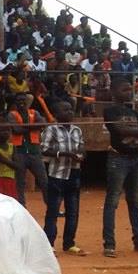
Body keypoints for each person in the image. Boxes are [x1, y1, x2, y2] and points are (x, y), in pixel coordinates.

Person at [102, 79, 138, 258]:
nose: (129, 92)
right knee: (112, 201)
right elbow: (118, 130)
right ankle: (109, 244)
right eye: (124, 89)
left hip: (136, 158)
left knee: (134, 201)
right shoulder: (109, 111)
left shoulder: (133, 111)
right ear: (114, 92)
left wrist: (135, 131)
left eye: (129, 89)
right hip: (118, 158)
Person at [41, 101, 87, 256]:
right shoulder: (51, 129)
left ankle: (69, 243)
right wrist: (65, 154)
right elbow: (44, 149)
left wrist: (80, 156)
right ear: (56, 114)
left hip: (74, 173)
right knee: (53, 210)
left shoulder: (77, 130)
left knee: (73, 210)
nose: (69, 112)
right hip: (57, 174)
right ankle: (49, 244)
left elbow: (82, 148)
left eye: (70, 109)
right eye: (65, 109)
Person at [7, 91, 47, 205]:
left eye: (23, 100)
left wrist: (25, 127)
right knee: (20, 184)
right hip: (19, 151)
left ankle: (52, 207)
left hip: (34, 150)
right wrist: (34, 127)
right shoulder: (12, 114)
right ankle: (22, 208)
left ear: (27, 101)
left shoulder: (34, 112)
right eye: (19, 100)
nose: (21, 102)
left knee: (44, 181)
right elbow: (16, 130)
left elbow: (42, 124)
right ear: (15, 102)